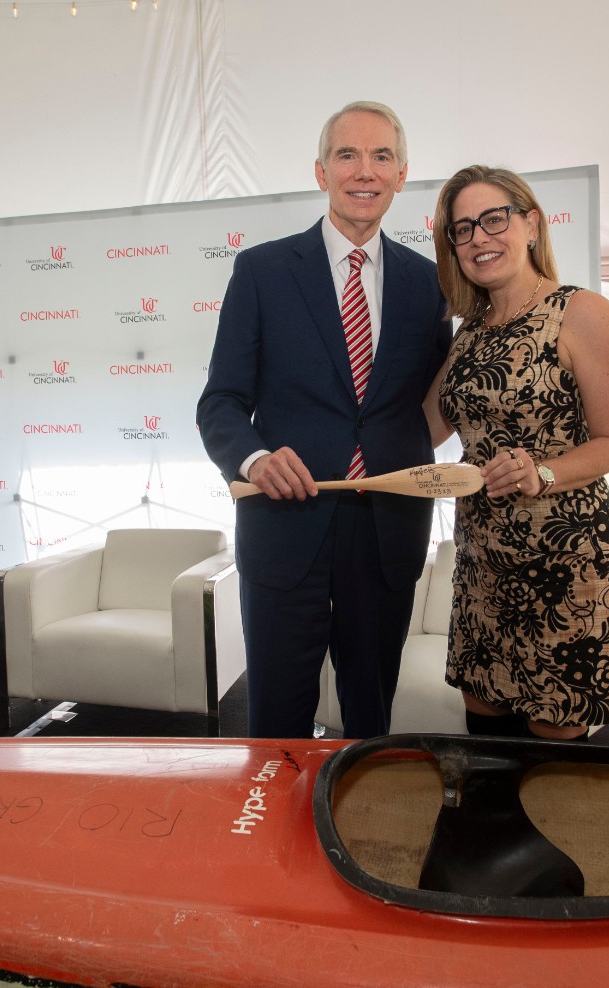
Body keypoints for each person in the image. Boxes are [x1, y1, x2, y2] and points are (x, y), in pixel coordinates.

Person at [197, 101, 452, 739]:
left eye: (381, 156)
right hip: (284, 528)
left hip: (388, 530)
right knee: (278, 719)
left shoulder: (432, 285)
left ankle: (361, 832)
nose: (363, 171)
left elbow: (438, 403)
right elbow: (221, 402)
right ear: (320, 171)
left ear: (401, 175)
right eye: (347, 154)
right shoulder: (261, 272)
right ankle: (273, 834)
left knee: (371, 716)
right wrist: (254, 458)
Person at [423, 165, 609, 741]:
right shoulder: (469, 331)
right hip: (483, 566)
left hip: (567, 568)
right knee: (486, 751)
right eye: (462, 229)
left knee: (554, 772)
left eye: (493, 219)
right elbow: (423, 430)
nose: (478, 238)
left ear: (531, 224)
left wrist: (540, 471)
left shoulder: (583, 313)